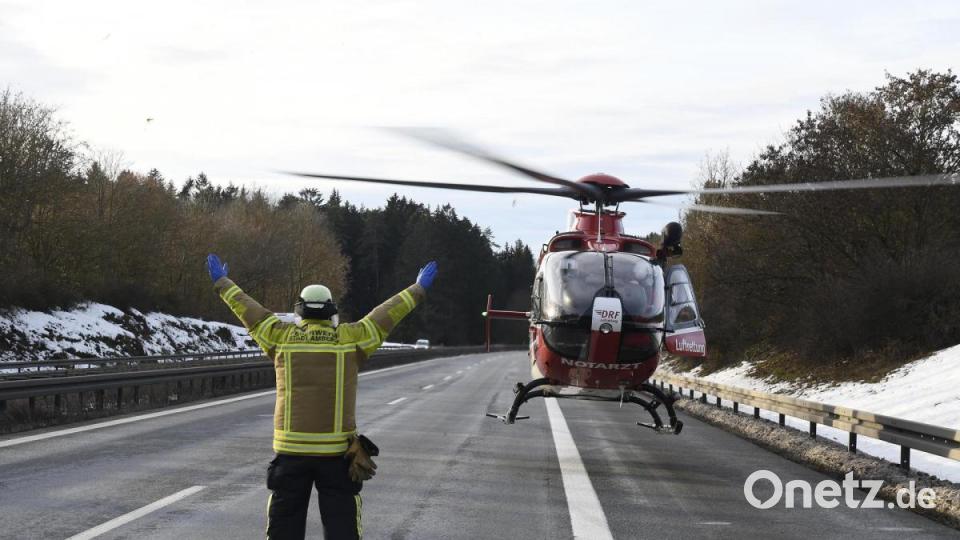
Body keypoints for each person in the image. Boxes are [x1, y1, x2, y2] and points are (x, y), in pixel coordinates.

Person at [206, 254, 438, 540]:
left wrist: (223, 283)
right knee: (342, 527)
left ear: (299, 312)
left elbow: (251, 313)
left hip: (290, 453)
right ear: (332, 312)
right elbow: (385, 315)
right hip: (337, 455)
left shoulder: (280, 337)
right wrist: (417, 289)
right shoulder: (352, 338)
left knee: (284, 527)